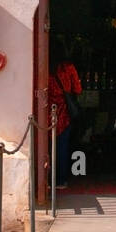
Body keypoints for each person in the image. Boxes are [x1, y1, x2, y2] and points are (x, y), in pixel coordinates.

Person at [48, 40, 82, 190]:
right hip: (64, 112)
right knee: (62, 146)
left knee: (46, 146)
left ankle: (45, 179)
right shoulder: (69, 68)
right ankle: (61, 180)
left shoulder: (44, 67)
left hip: (45, 111)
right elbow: (78, 89)